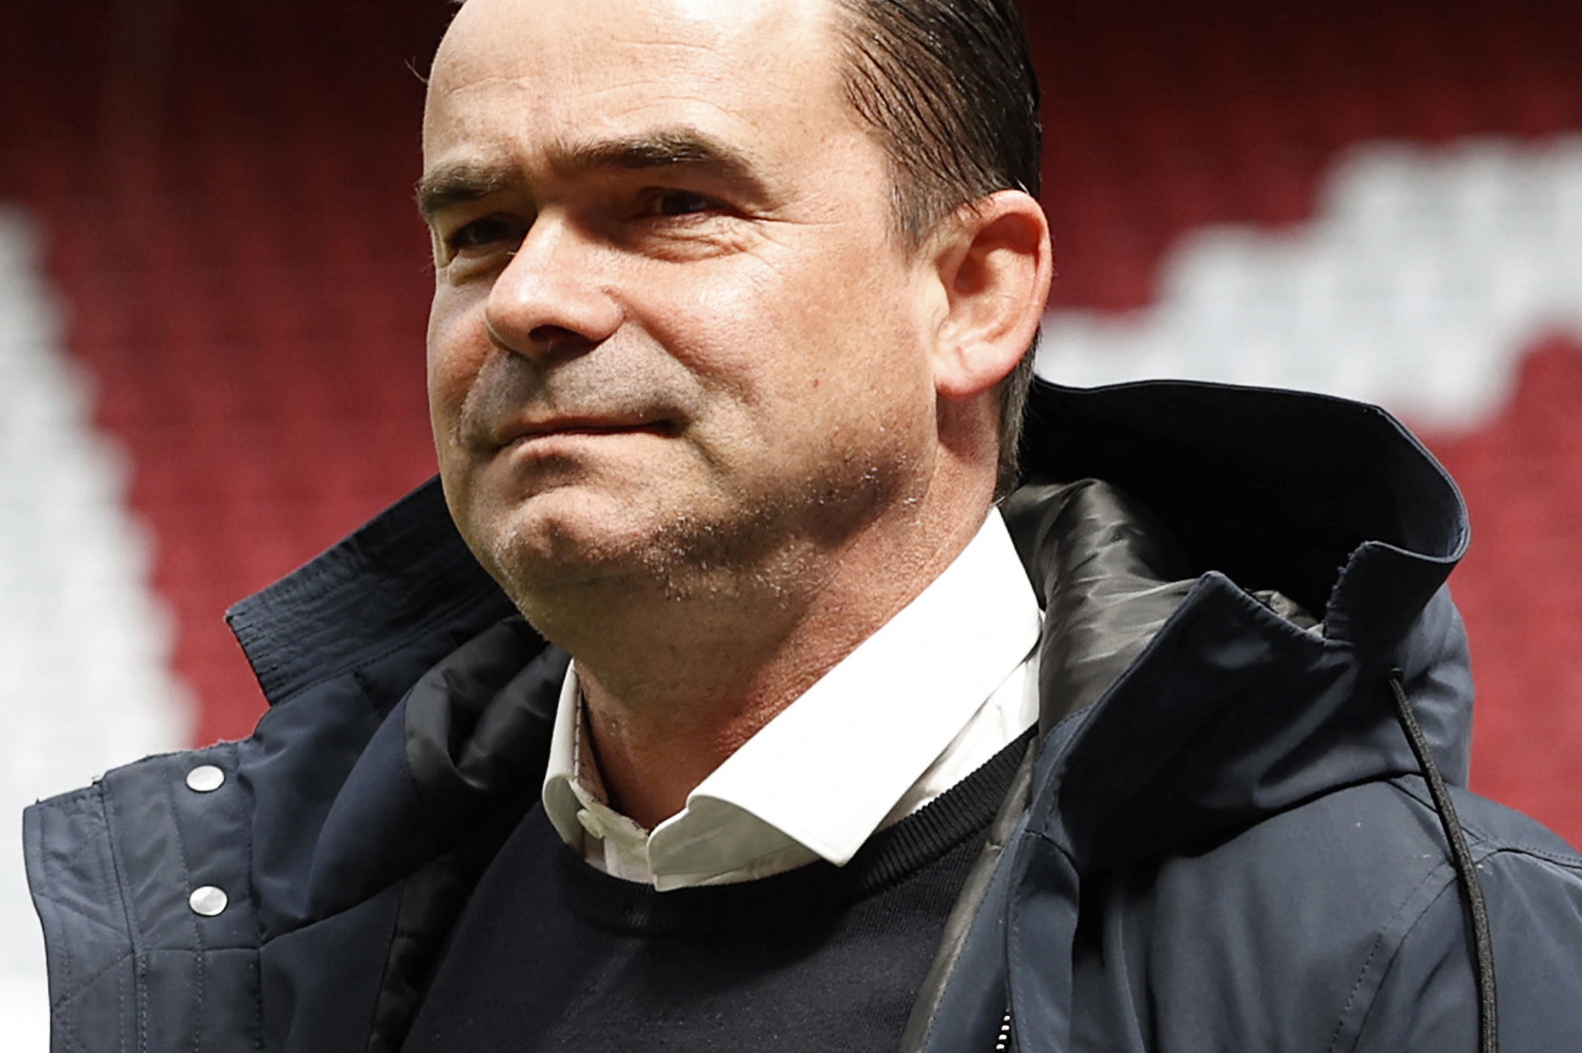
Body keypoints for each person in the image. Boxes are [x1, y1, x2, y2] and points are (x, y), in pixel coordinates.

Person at [25, 0, 1582, 1049]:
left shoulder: (1403, 951)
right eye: (477, 229)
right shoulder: (260, 946)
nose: (534, 299)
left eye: (670, 202)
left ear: (971, 292)